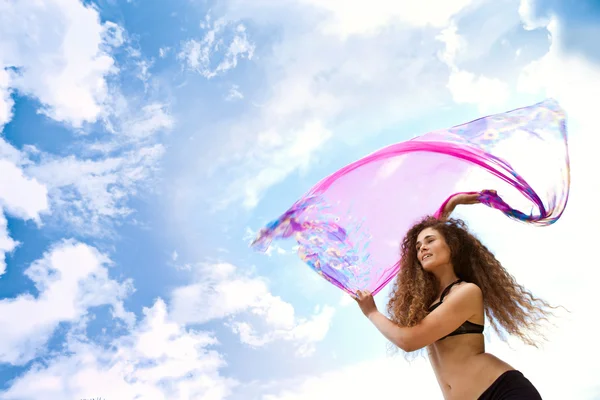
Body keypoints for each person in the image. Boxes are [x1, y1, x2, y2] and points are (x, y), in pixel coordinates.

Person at [354, 192, 555, 399]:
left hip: (501, 392)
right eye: (418, 246)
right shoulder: (428, 302)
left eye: (430, 241)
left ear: (452, 247)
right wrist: (453, 203)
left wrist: (371, 312)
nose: (422, 247)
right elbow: (438, 230)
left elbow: (409, 341)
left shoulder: (467, 292)